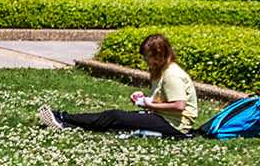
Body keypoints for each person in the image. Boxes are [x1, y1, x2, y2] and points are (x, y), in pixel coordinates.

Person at [39, 33, 196, 137]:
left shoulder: (172, 74)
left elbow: (179, 105)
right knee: (116, 121)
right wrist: (145, 99)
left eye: (148, 57)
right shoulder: (161, 70)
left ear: (159, 55)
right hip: (164, 118)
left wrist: (149, 104)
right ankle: (65, 122)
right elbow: (165, 99)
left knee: (115, 116)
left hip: (175, 127)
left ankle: (64, 118)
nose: (146, 61)